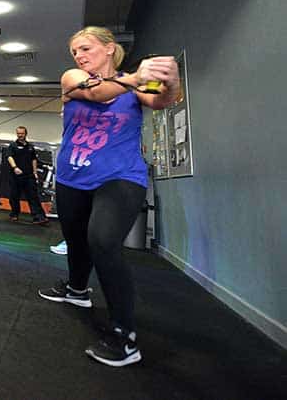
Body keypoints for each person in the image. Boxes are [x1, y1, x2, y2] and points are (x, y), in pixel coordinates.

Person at [38, 26, 179, 368]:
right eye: (75, 51)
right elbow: (97, 94)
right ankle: (76, 290)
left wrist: (169, 81)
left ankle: (124, 336)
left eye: (86, 49)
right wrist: (137, 76)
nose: (79, 56)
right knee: (75, 238)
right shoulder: (72, 77)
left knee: (101, 240)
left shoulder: (134, 87)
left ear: (109, 49)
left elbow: (160, 100)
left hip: (120, 176)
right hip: (73, 175)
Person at [6, 126, 48, 224]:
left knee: (33, 196)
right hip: (16, 175)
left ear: (25, 134)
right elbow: (9, 157)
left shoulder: (30, 147)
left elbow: (33, 160)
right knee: (14, 196)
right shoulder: (13, 146)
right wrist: (15, 167)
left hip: (29, 175)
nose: (20, 135)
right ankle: (14, 214)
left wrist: (35, 172)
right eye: (18, 133)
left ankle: (39, 217)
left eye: (22, 133)